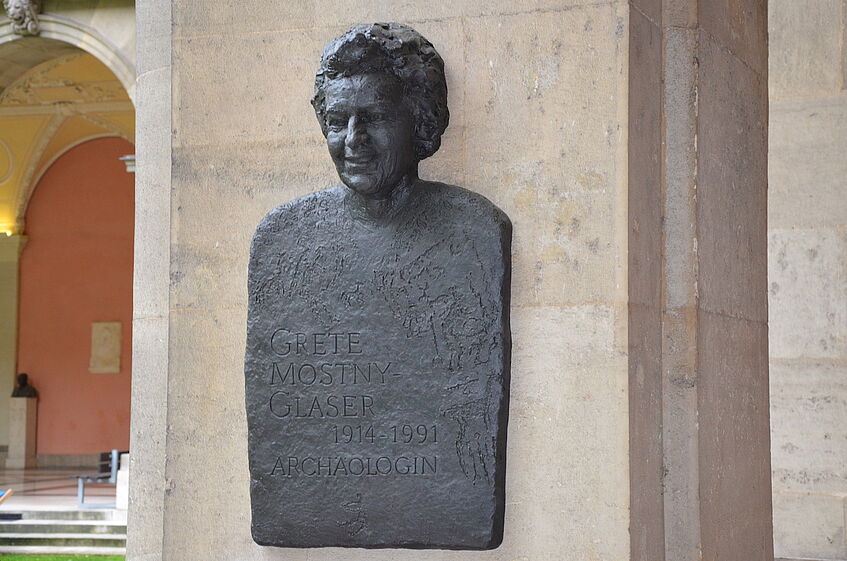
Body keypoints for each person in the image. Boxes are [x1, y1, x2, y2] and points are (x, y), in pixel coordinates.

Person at [245, 23, 511, 549]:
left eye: (373, 119)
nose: (353, 142)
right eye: (337, 122)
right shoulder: (283, 238)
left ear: (420, 121)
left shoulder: (471, 230)